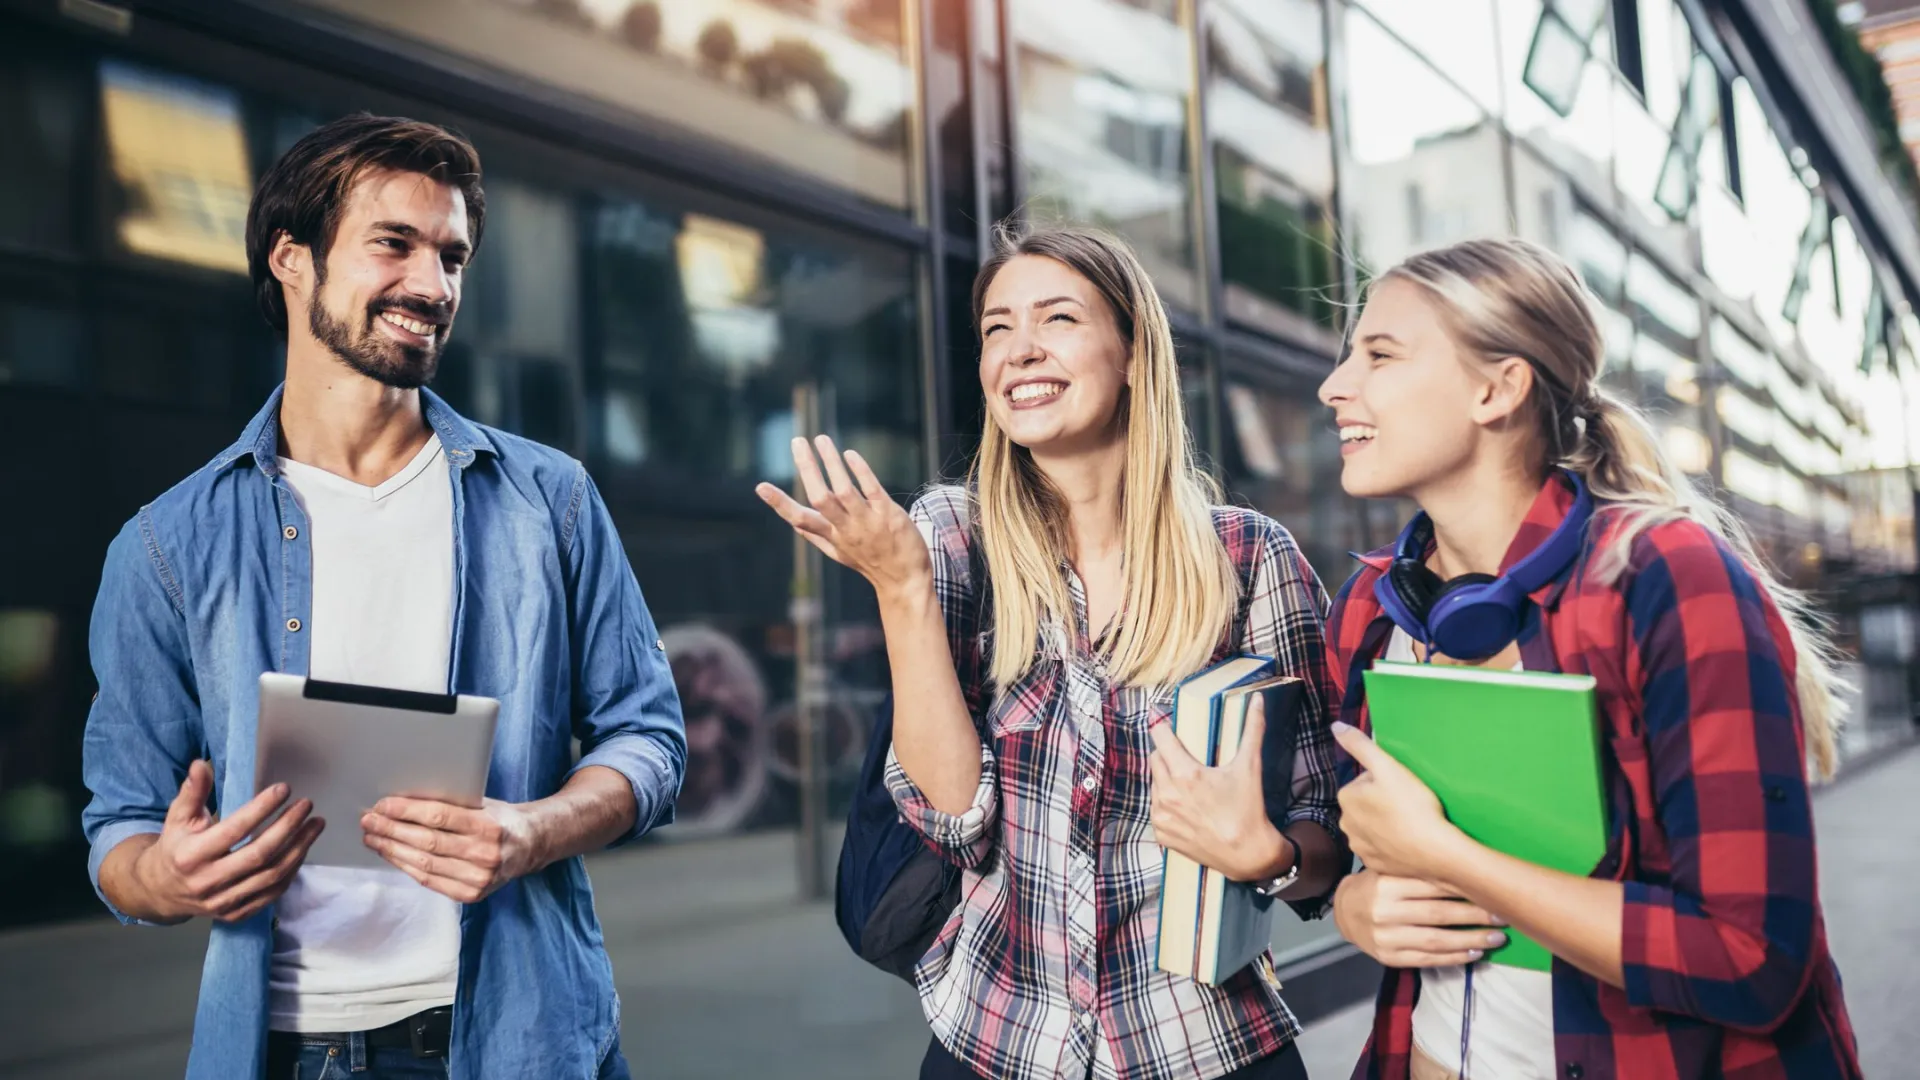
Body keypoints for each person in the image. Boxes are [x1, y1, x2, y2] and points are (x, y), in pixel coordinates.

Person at [79, 113, 686, 1080]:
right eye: (392, 244)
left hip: (524, 1040)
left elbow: (650, 739)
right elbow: (122, 827)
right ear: (293, 260)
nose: (432, 285)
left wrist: (532, 831)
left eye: (452, 256)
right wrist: (169, 873)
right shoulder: (166, 546)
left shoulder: (548, 501)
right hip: (286, 1050)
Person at [757, 222, 1346, 1080]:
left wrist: (1272, 858)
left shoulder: (1250, 559)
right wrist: (902, 591)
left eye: (1058, 319)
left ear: (1134, 353)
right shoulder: (949, 538)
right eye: (997, 328)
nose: (1019, 351)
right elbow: (956, 818)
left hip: (1205, 1043)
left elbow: (1324, 834)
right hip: (998, 1041)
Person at [1316, 238, 1861, 1080]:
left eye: (1379, 354)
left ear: (1496, 388)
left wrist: (1456, 862)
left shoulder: (1663, 575)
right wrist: (1357, 902)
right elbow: (1377, 864)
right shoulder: (1372, 606)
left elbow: (1753, 963)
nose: (1334, 386)